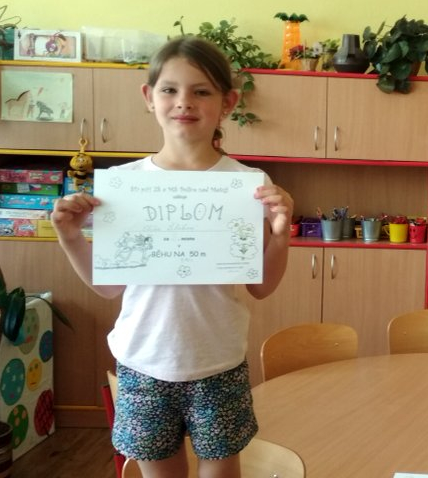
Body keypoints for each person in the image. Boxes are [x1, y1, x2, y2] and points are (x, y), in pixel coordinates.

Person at [52, 36, 294, 477]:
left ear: (227, 103)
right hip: (144, 362)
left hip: (218, 362)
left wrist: (280, 235)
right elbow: (109, 286)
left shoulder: (248, 185)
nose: (184, 101)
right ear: (149, 97)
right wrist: (71, 237)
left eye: (201, 91)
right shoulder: (125, 185)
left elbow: (261, 286)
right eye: (170, 89)